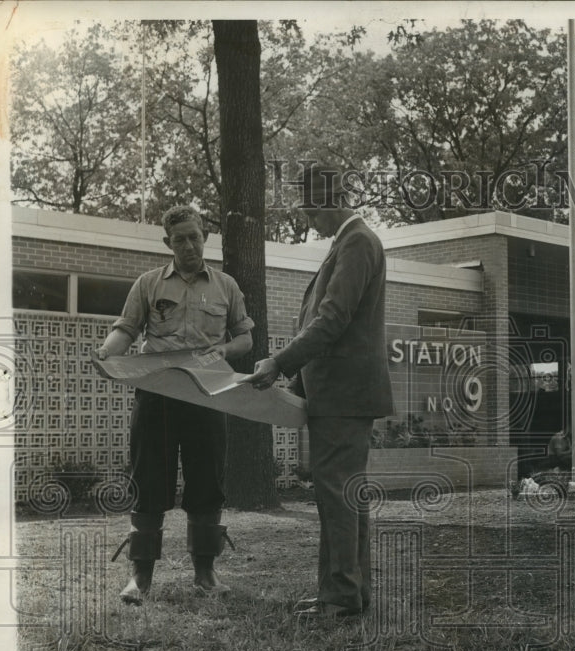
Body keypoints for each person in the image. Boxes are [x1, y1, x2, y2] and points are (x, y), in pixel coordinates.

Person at [247, 164, 394, 619]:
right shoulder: (350, 243)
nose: (308, 218)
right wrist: (294, 381)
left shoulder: (357, 242)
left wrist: (279, 362)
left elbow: (331, 320)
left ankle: (341, 596)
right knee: (343, 495)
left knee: (336, 495)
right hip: (339, 394)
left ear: (332, 200)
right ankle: (348, 591)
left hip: (344, 397)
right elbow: (328, 323)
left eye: (311, 207)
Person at [97, 206, 254, 604]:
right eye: (180, 238)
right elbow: (126, 330)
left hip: (208, 393)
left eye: (195, 236)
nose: (189, 245)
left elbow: (245, 339)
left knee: (207, 483)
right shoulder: (148, 283)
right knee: (147, 482)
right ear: (168, 243)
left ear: (205, 237)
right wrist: (105, 353)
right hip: (158, 396)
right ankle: (140, 578)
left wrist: (225, 348)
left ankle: (206, 574)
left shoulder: (226, 286)